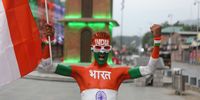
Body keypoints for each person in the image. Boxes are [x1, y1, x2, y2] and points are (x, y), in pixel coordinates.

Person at [40, 24, 161, 100]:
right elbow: (47, 66)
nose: (102, 52)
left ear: (109, 50)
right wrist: (48, 41)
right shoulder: (81, 72)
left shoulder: (118, 72)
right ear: (92, 49)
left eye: (106, 48)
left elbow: (149, 69)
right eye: (98, 48)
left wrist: (157, 40)